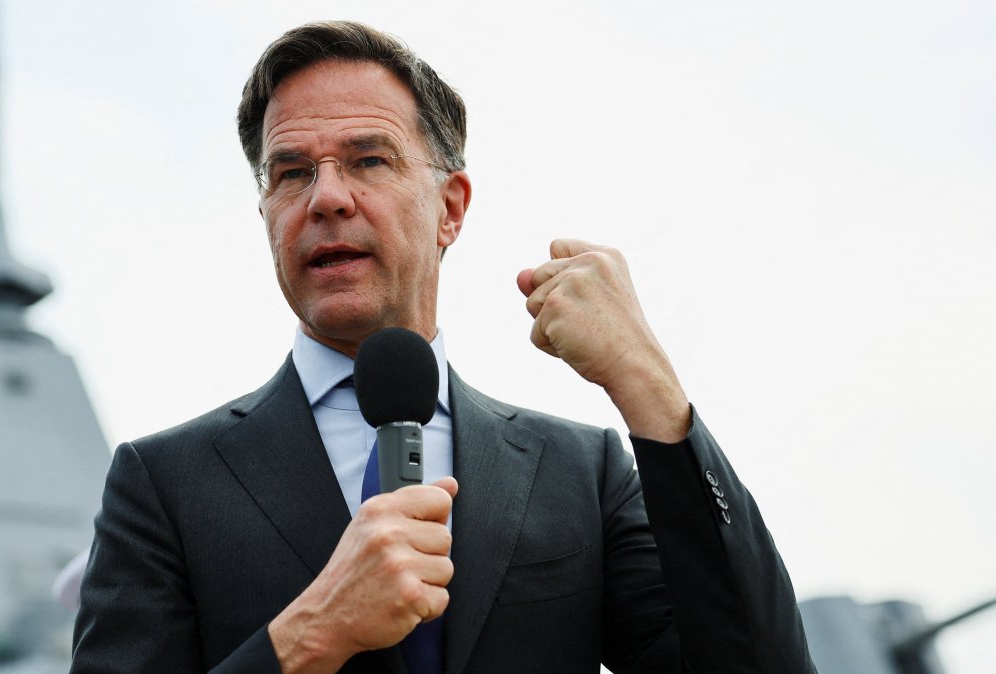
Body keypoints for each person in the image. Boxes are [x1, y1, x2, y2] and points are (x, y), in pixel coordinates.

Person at [71, 20, 816, 674]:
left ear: (450, 208)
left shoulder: (580, 474)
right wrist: (310, 636)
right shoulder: (163, 485)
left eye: (368, 159)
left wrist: (648, 387)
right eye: (291, 172)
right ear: (266, 209)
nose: (325, 198)